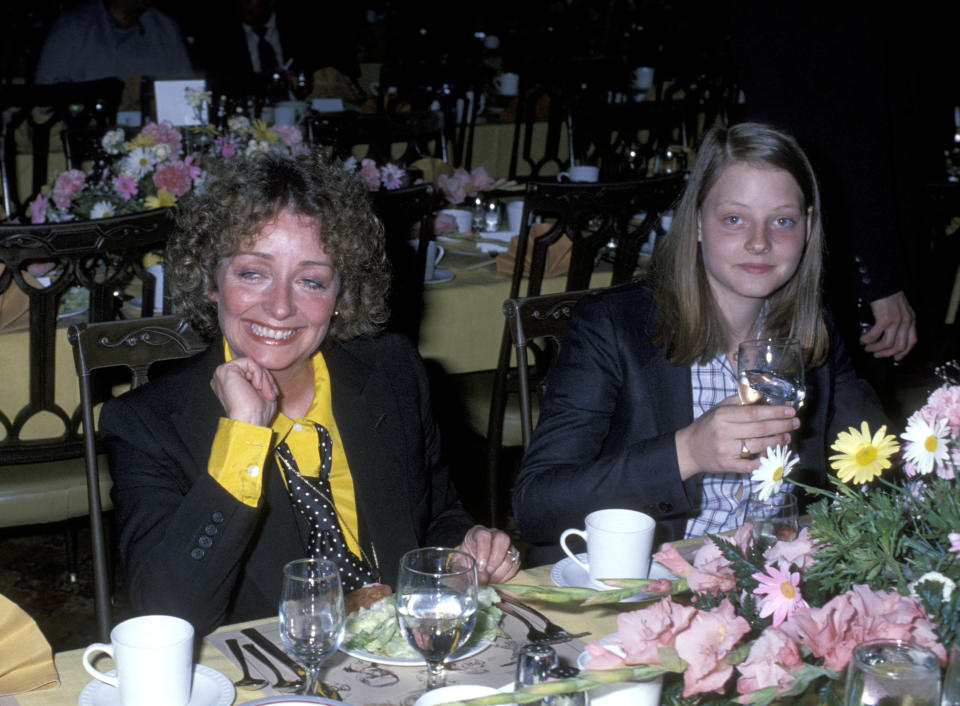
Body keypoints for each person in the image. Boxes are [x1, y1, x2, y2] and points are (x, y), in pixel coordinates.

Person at [100, 152, 519, 634]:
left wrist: (463, 549)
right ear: (212, 281)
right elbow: (169, 614)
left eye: (310, 280)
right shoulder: (149, 424)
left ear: (341, 297)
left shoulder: (391, 372)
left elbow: (436, 516)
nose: (280, 307)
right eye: (252, 273)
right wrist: (243, 440)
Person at [512, 123, 887, 565]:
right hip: (647, 582)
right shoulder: (614, 327)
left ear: (807, 228)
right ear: (696, 225)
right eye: (734, 218)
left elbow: (875, 462)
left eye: (781, 220)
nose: (759, 241)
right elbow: (535, 507)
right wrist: (687, 451)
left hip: (773, 580)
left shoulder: (812, 328)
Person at [34, 0, 193, 85]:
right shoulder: (74, 25)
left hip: (154, 140)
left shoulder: (165, 28)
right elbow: (45, 90)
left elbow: (187, 92)